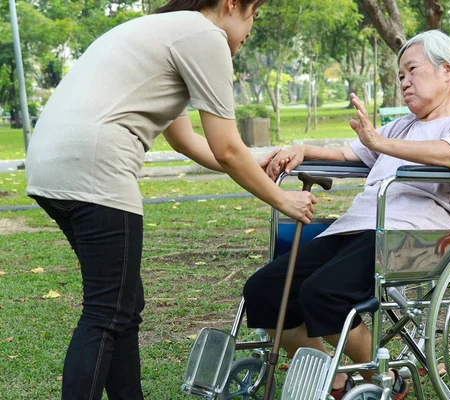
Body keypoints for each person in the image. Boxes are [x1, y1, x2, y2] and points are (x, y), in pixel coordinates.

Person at [24, 1, 317, 399]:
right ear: (231, 4)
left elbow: (185, 140)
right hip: (96, 164)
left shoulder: (166, 30)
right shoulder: (205, 36)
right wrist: (283, 200)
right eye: (254, 14)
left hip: (51, 166)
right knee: (108, 311)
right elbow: (226, 149)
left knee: (122, 305)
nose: (251, 29)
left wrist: (254, 158)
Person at [243, 30, 450, 400]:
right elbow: (351, 154)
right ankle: (334, 377)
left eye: (411, 70)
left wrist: (380, 142)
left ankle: (384, 374)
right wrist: (302, 148)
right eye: (400, 76)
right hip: (357, 228)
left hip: (415, 237)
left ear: (447, 71)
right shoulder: (403, 127)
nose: (404, 82)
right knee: (263, 290)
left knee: (322, 294)